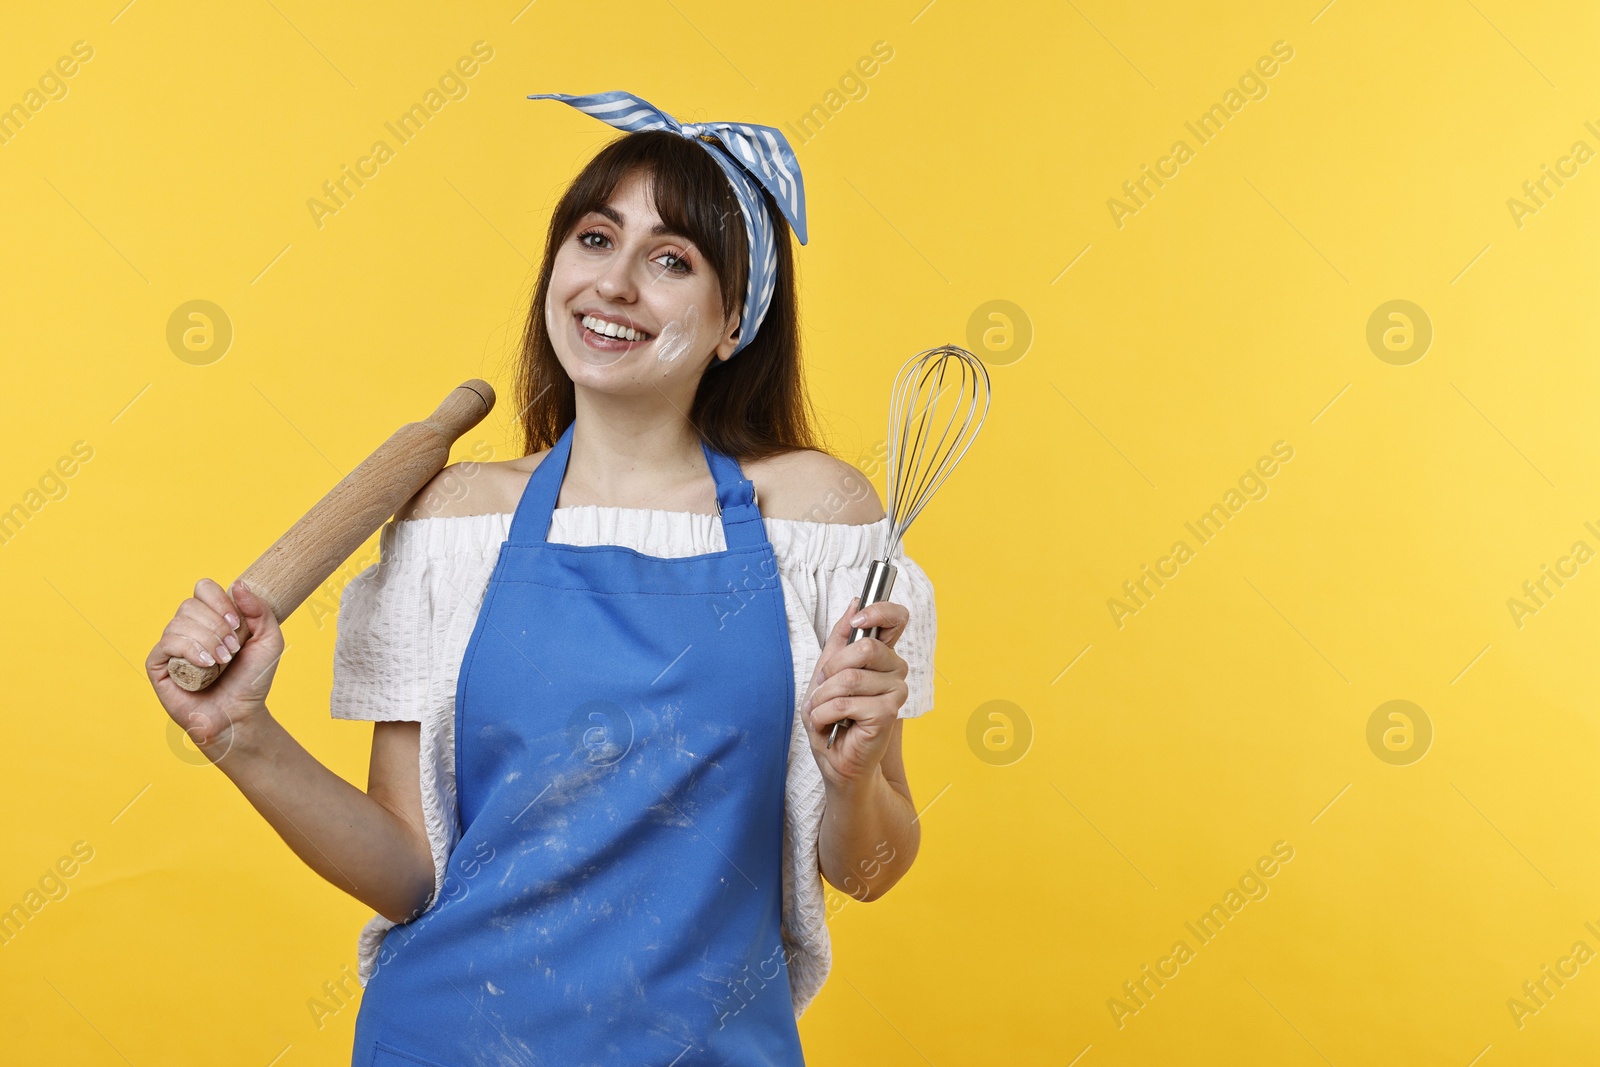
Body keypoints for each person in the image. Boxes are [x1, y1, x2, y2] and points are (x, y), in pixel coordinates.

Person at [145, 90, 937, 1064]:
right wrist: (240, 734)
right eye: (595, 239)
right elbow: (409, 868)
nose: (614, 284)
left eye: (671, 260)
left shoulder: (816, 523)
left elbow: (869, 869)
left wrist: (853, 778)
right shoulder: (458, 520)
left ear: (736, 318)